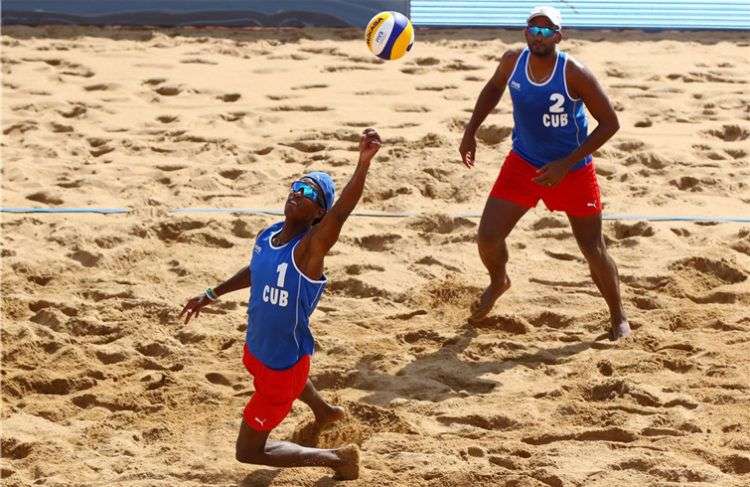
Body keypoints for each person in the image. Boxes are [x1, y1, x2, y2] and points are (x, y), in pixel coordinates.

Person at [179, 128, 382, 480]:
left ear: (319, 213)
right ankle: (324, 411)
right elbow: (257, 270)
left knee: (249, 451)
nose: (296, 194)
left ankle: (337, 459)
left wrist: (362, 164)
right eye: (296, 187)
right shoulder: (269, 234)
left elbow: (342, 212)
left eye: (307, 194)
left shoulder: (308, 251)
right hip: (258, 350)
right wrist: (212, 294)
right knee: (273, 374)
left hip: (282, 367)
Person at [458, 6, 631, 340]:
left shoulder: (574, 72)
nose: (539, 37)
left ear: (558, 36)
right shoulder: (512, 61)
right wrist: (470, 131)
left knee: (593, 248)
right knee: (488, 237)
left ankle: (618, 316)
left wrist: (566, 164)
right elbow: (493, 89)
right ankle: (499, 280)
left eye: (546, 31)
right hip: (524, 162)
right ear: (526, 34)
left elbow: (610, 123)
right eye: (533, 31)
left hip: (572, 169)